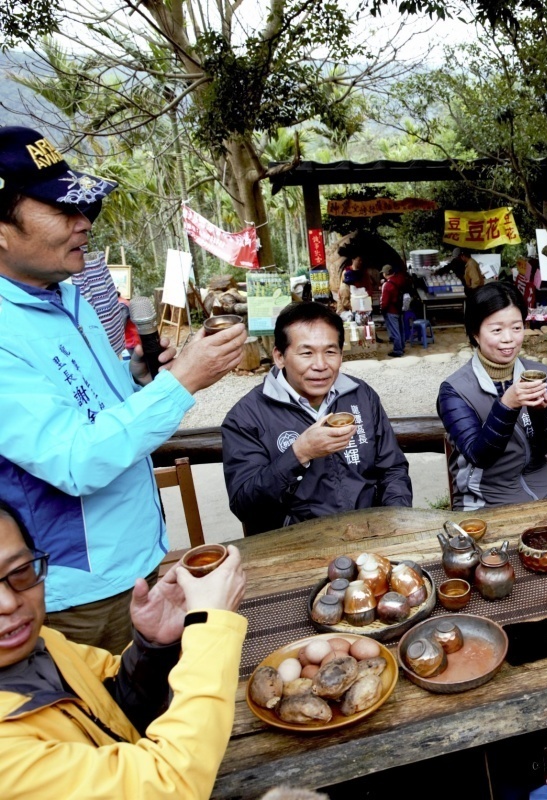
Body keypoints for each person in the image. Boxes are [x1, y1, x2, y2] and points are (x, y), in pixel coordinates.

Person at [0, 126, 246, 652]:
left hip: (139, 559)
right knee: (107, 723)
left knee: (158, 709)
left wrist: (142, 377)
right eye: (62, 211)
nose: (84, 224)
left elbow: (100, 411)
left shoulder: (68, 295)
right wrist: (183, 382)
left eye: (82, 209)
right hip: (77, 592)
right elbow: (76, 459)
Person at [0, 499, 249, 800]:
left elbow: (108, 702)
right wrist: (210, 627)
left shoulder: (41, 642)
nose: (9, 603)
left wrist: (153, 646)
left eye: (19, 571)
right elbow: (168, 785)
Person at [222, 302, 413, 534]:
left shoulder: (361, 395)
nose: (321, 365)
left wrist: (394, 522)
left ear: (341, 354)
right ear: (279, 356)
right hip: (296, 547)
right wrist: (299, 453)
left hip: (369, 535)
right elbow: (245, 506)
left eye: (330, 352)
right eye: (306, 353)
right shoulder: (246, 417)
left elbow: (392, 468)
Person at [438, 282, 547, 510]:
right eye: (497, 330)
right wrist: (507, 405)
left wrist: (542, 412)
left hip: (545, 495)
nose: (509, 339)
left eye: (517, 328)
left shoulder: (542, 374)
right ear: (475, 333)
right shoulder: (454, 390)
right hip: (485, 504)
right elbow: (479, 457)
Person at [379, 261, 411, 358]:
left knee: (394, 331)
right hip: (400, 308)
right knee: (401, 329)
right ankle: (402, 346)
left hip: (391, 310)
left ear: (385, 273)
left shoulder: (387, 285)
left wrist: (381, 309)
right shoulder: (400, 279)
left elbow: (385, 301)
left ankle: (397, 350)